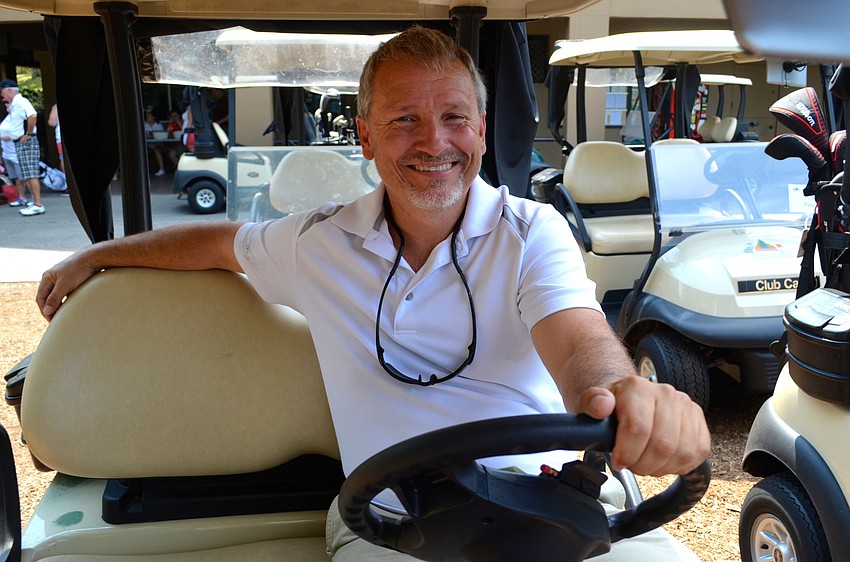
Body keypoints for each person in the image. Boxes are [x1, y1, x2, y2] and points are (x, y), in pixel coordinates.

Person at [36, 27, 709, 561]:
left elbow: (579, 337)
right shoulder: (317, 243)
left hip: (553, 510)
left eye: (454, 116)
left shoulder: (533, 232)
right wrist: (98, 255)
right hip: (394, 526)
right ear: (364, 135)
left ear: (480, 128)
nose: (435, 141)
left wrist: (620, 393)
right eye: (404, 120)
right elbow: (217, 243)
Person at [0, 79, 44, 216]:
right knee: (26, 173)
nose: (3, 96)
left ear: (9, 90)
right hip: (19, 141)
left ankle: (38, 204)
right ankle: (34, 201)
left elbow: (32, 115)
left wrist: (28, 133)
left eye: (3, 92)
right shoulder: (15, 104)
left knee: (31, 174)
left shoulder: (21, 101)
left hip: (26, 141)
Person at [0, 102, 26, 206]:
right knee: (15, 177)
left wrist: (1, 138)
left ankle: (23, 197)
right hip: (7, 153)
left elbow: (15, 134)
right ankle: (20, 197)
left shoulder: (17, 118)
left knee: (21, 177)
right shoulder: (7, 118)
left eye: (8, 104)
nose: (6, 106)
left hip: (15, 152)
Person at [144, 109, 167, 176]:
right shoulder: (144, 124)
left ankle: (161, 169)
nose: (147, 118)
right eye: (147, 116)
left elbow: (161, 135)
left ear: (153, 117)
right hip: (147, 143)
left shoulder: (158, 125)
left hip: (157, 143)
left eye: (149, 116)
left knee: (156, 150)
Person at [48, 104, 63, 175]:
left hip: (61, 138)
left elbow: (52, 122)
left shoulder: (57, 106)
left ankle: (68, 181)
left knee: (64, 159)